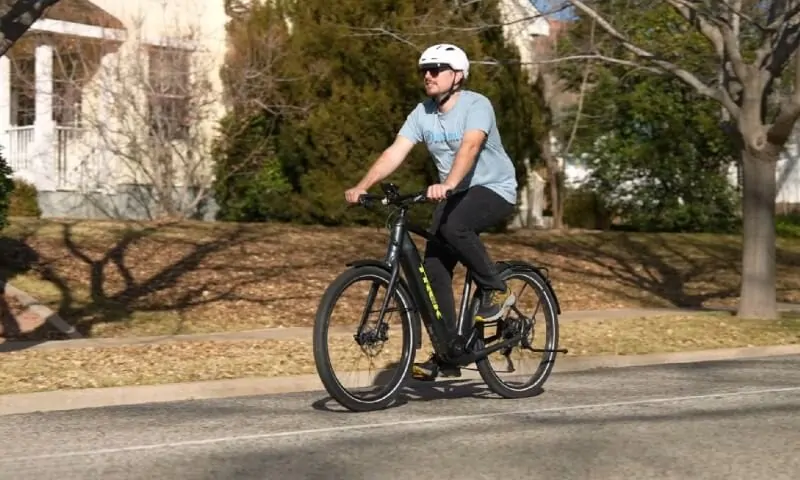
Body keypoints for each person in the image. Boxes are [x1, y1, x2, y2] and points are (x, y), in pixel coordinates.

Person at [344, 43, 518, 381]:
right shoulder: (422, 113)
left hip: (494, 188)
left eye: (435, 69)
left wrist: (449, 183)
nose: (428, 75)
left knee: (455, 227)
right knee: (434, 268)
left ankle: (497, 289)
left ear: (457, 75)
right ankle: (449, 352)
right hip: (454, 194)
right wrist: (362, 185)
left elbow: (470, 146)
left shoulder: (476, 104)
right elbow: (396, 151)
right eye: (424, 70)